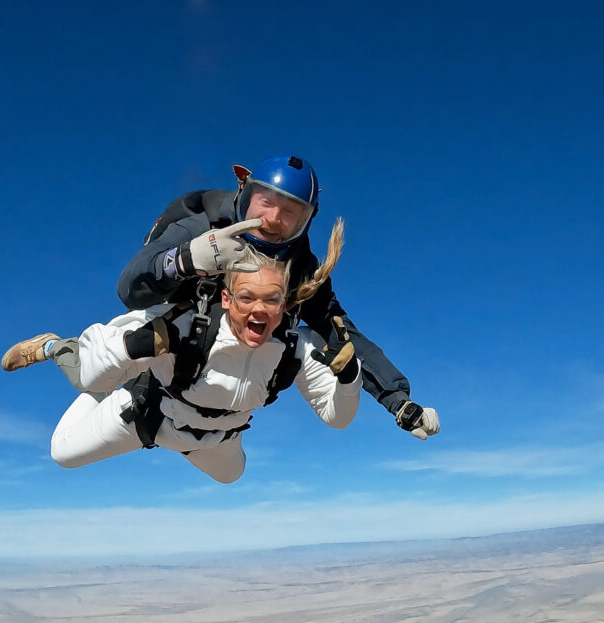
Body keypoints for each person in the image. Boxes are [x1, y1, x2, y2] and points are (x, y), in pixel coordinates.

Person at [116, 154, 439, 440]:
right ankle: (134, 379)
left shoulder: (299, 268)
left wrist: (397, 399)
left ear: (307, 220)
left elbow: (339, 333)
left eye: (291, 212)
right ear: (244, 194)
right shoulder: (202, 228)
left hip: (228, 373)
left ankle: (217, 422)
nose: (272, 219)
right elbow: (130, 291)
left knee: (294, 333)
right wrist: (186, 259)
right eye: (265, 202)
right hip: (173, 337)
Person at [2, 240, 365, 483]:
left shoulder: (293, 349)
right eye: (246, 297)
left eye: (271, 299)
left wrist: (350, 379)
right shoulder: (184, 326)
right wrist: (135, 346)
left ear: (284, 306)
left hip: (216, 438)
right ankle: (52, 347)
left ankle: (126, 375)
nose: (259, 309)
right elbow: (94, 368)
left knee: (232, 475)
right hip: (149, 417)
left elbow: (337, 418)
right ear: (226, 298)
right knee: (62, 450)